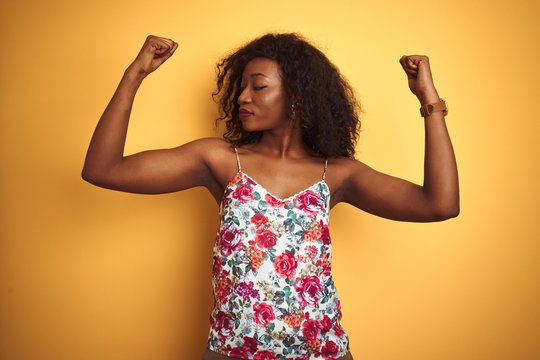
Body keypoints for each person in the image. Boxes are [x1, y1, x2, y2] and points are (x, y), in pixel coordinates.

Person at [82, 33, 459, 360]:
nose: (242, 96)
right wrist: (135, 75)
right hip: (230, 353)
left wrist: (429, 100)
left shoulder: (338, 173)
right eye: (241, 86)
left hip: (323, 354)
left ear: (296, 95)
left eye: (257, 86)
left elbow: (439, 205)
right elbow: (104, 169)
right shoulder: (220, 160)